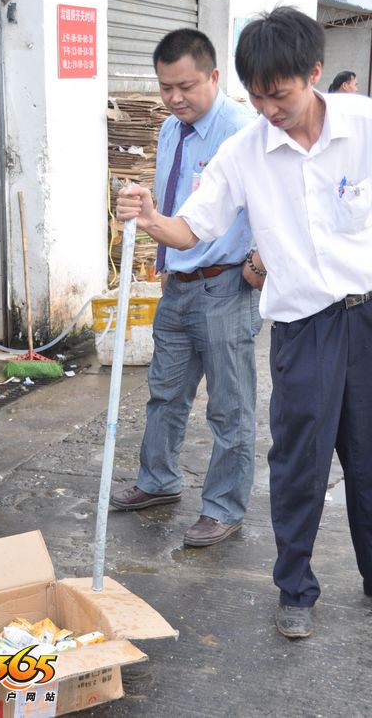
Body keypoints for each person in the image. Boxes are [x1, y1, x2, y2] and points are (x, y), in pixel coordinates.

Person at [117, 6, 372, 638]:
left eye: (279, 95)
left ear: (314, 73)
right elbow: (191, 227)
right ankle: (295, 589)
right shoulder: (244, 150)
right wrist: (148, 217)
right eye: (257, 98)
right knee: (300, 465)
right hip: (302, 330)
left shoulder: (366, 124)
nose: (268, 110)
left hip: (368, 321)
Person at [110, 29, 262, 548]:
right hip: (178, 283)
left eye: (186, 86)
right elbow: (173, 199)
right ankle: (158, 482)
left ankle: (223, 508)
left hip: (226, 288)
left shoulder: (243, 131)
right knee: (165, 393)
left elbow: (273, 205)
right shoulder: (173, 129)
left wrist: (260, 262)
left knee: (229, 407)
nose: (175, 98)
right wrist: (163, 254)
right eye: (165, 87)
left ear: (214, 77)